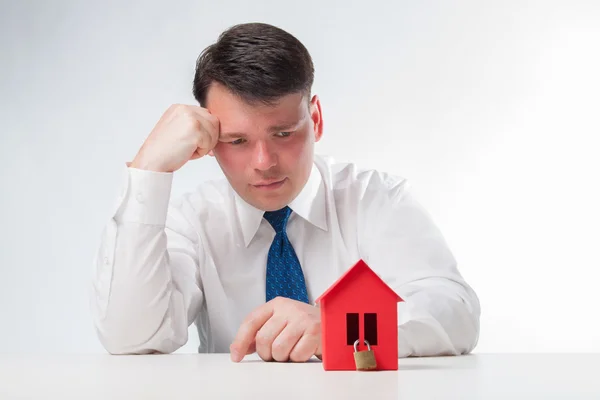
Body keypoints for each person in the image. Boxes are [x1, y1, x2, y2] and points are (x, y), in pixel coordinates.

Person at [90, 22, 480, 362]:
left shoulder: (375, 198)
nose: (263, 161)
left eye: (282, 134)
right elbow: (132, 339)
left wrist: (343, 327)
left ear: (315, 119)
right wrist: (148, 170)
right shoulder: (191, 222)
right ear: (207, 141)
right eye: (237, 140)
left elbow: (455, 312)